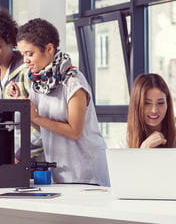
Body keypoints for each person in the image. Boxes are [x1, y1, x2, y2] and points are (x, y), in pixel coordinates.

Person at [14, 18, 109, 186]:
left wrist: (35, 117)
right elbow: (43, 129)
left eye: (30, 54)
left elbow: (75, 131)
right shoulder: (38, 84)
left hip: (89, 173)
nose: (25, 60)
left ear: (49, 49)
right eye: (23, 55)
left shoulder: (73, 82)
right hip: (61, 174)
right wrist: (23, 106)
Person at [0, 8, 43, 162]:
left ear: (11, 41)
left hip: (32, 161)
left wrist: (19, 155)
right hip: (8, 158)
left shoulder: (27, 72)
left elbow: (44, 124)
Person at [125, 73, 176, 156]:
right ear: (136, 105)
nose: (154, 110)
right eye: (147, 103)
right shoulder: (124, 142)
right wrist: (144, 149)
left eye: (160, 103)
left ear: (167, 104)